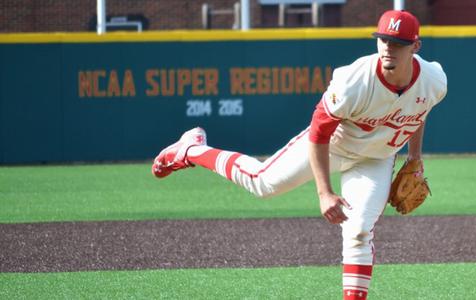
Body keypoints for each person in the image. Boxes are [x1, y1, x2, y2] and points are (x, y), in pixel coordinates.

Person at [151, 10, 447, 300]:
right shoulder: (353, 82)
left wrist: (414, 159)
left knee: (358, 231)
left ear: (415, 47)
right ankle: (191, 149)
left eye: (397, 43)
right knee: (262, 183)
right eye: (383, 40)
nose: (388, 48)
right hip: (333, 146)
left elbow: (418, 112)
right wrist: (324, 193)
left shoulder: (434, 81)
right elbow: (319, 133)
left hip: (375, 159)